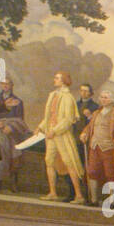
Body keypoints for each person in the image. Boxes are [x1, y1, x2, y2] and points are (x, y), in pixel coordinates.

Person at [37, 71, 88, 204]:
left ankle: (79, 195)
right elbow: (49, 116)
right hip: (51, 135)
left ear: (64, 80)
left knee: (69, 162)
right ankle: (53, 192)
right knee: (49, 161)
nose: (55, 80)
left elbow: (68, 119)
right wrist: (41, 127)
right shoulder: (53, 95)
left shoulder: (67, 97)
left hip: (62, 135)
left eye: (57, 78)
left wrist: (54, 131)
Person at [78, 89, 114, 206]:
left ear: (112, 100)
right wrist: (84, 133)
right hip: (94, 147)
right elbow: (89, 127)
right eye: (102, 97)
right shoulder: (96, 114)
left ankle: (113, 200)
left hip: (109, 148)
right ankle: (93, 199)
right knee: (92, 171)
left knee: (110, 174)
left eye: (106, 97)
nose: (103, 99)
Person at [0, 77, 31, 193]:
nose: (5, 86)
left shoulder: (18, 101)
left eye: (7, 84)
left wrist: (11, 127)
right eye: (3, 84)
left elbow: (20, 119)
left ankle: (13, 182)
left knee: (15, 156)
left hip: (12, 134)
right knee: (0, 155)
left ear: (11, 85)